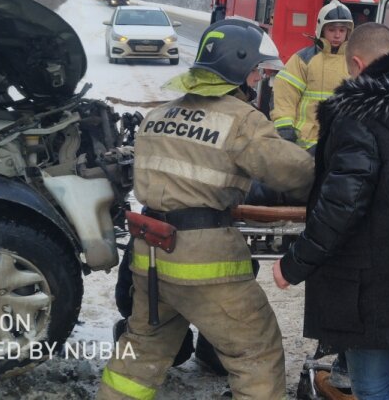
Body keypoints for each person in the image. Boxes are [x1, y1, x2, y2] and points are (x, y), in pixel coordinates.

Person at [98, 20, 314, 400]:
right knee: (256, 353)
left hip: (149, 256)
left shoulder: (157, 116)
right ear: (238, 69)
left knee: (142, 353)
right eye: (254, 72)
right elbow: (294, 174)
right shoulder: (241, 120)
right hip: (204, 262)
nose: (255, 80)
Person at [273, 22, 389, 400]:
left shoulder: (358, 112)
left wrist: (294, 264)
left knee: (372, 384)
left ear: (357, 64)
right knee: (378, 370)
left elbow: (341, 205)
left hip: (368, 278)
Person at [272, 0, 354, 149]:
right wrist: (284, 128)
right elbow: (285, 94)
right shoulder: (303, 59)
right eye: (332, 29)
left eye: (342, 30)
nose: (337, 35)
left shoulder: (354, 61)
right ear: (321, 29)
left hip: (340, 144)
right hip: (304, 144)